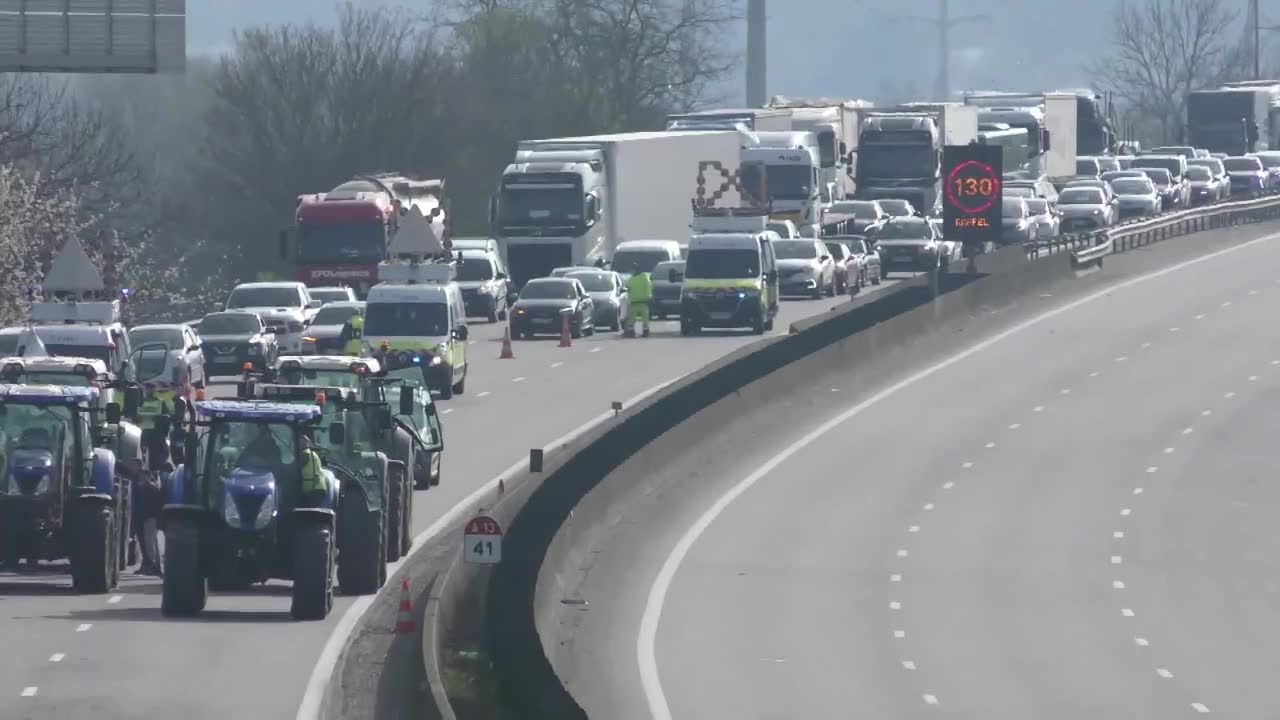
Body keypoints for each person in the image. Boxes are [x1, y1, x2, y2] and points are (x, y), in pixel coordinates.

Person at [298, 434, 328, 507]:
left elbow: (293, 468)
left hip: (313, 491)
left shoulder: (305, 454)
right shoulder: (312, 453)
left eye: (299, 441)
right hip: (317, 489)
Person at [624, 270, 653, 337]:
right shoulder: (645, 277)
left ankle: (631, 332)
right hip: (643, 302)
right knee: (645, 318)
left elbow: (627, 287)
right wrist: (649, 297)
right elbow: (649, 287)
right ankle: (645, 332)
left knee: (631, 319)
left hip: (634, 302)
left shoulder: (631, 279)